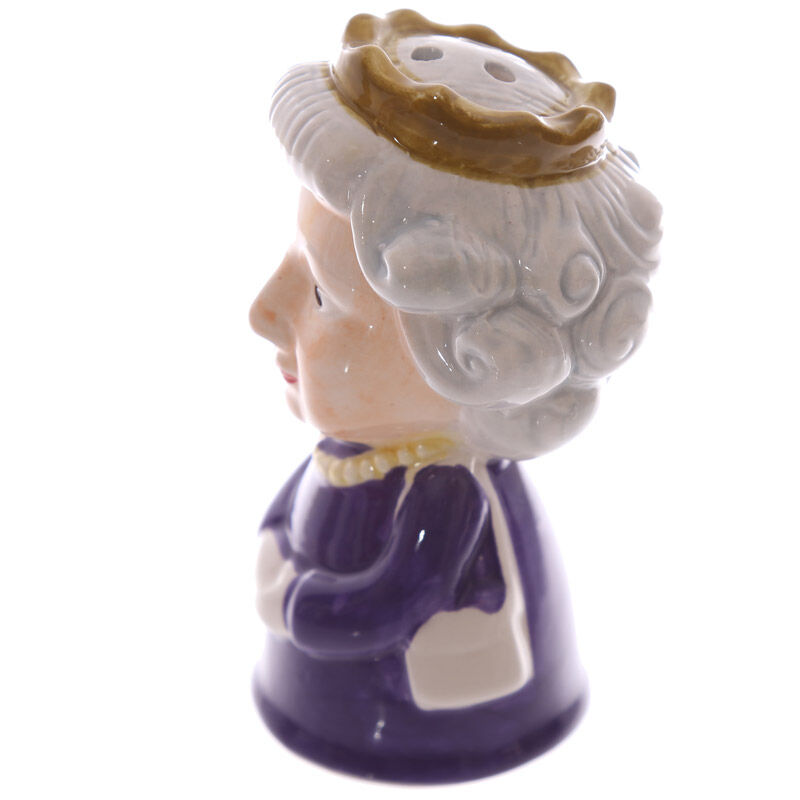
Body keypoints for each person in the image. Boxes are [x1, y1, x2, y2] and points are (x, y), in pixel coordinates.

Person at [250, 10, 661, 783]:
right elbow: (289, 511)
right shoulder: (351, 453)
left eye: (321, 293)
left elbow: (394, 598)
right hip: (311, 705)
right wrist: (274, 541)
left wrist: (301, 604)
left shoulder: (445, 493)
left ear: (477, 362)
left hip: (442, 727)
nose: (263, 311)